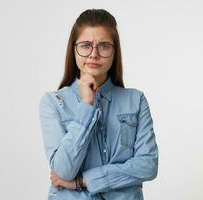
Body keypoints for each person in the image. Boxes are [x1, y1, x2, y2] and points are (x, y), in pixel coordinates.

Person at [39, 8, 158, 200]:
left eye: (103, 46)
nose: (93, 54)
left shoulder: (135, 100)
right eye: (85, 45)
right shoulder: (53, 103)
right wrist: (87, 106)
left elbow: (148, 165)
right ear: (73, 49)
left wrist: (83, 181)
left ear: (114, 51)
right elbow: (63, 171)